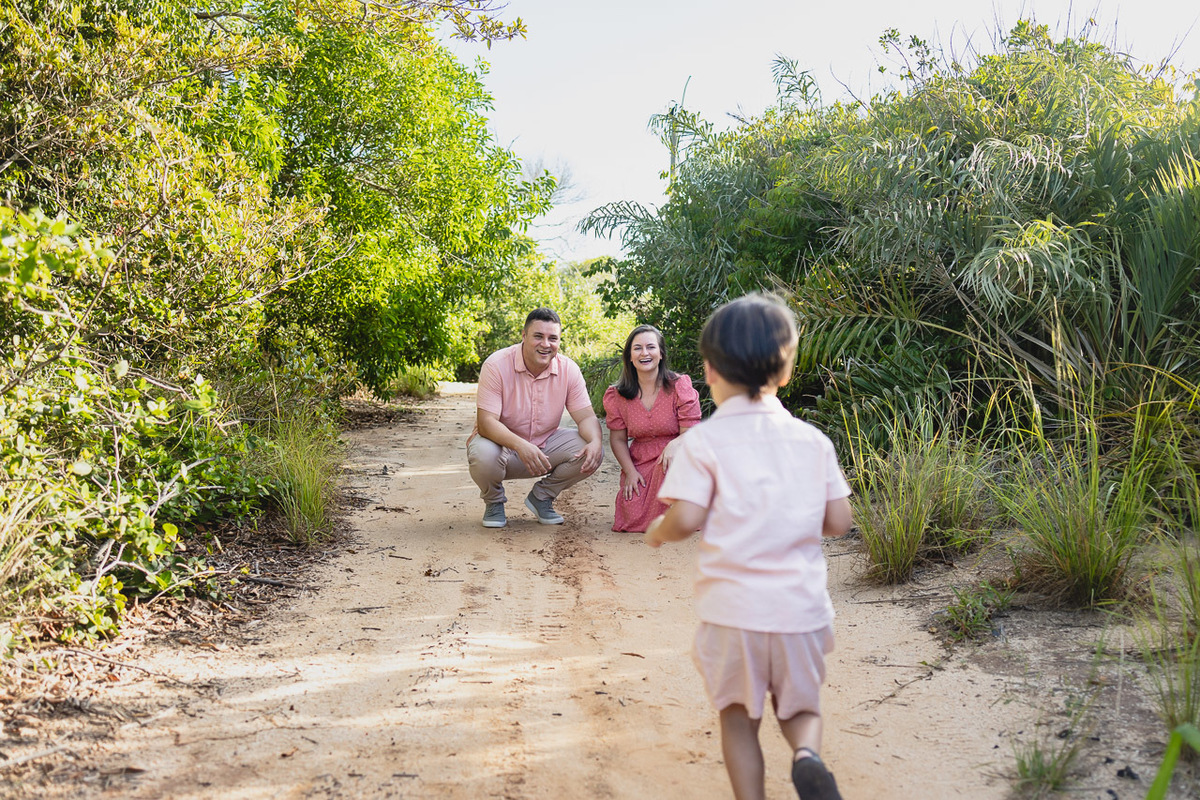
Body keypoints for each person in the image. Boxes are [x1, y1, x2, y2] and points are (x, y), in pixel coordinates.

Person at [645, 294, 853, 800]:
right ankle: (806, 756)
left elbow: (686, 518)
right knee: (801, 709)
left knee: (738, 719)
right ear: (785, 371)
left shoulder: (703, 443)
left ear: (710, 371)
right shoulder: (812, 441)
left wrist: (658, 531)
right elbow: (839, 522)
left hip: (733, 614)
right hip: (800, 611)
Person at [467, 307, 604, 528]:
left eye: (553, 338)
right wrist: (521, 445)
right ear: (524, 335)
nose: (545, 344)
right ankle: (494, 502)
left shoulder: (569, 369)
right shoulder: (496, 365)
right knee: (482, 453)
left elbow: (586, 417)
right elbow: (486, 423)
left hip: (544, 448)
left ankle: (541, 497)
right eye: (538, 336)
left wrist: (596, 441)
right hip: (502, 448)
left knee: (590, 448)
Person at [602, 325, 701, 532]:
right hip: (641, 461)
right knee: (631, 517)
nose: (644, 353)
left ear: (661, 353)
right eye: (637, 348)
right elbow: (618, 439)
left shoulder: (679, 385)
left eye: (651, 347)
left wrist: (675, 444)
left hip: (676, 456)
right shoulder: (617, 395)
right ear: (630, 356)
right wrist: (630, 471)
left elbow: (691, 431)